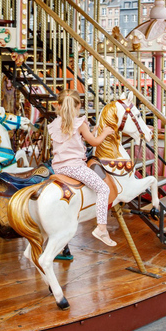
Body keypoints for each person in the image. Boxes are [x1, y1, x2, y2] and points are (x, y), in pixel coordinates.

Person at [48, 89, 117, 246]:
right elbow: (94, 142)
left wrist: (90, 132)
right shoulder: (79, 122)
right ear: (78, 105)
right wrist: (105, 132)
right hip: (75, 168)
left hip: (58, 168)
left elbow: (72, 140)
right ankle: (101, 228)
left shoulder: (54, 124)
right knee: (103, 189)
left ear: (59, 106)